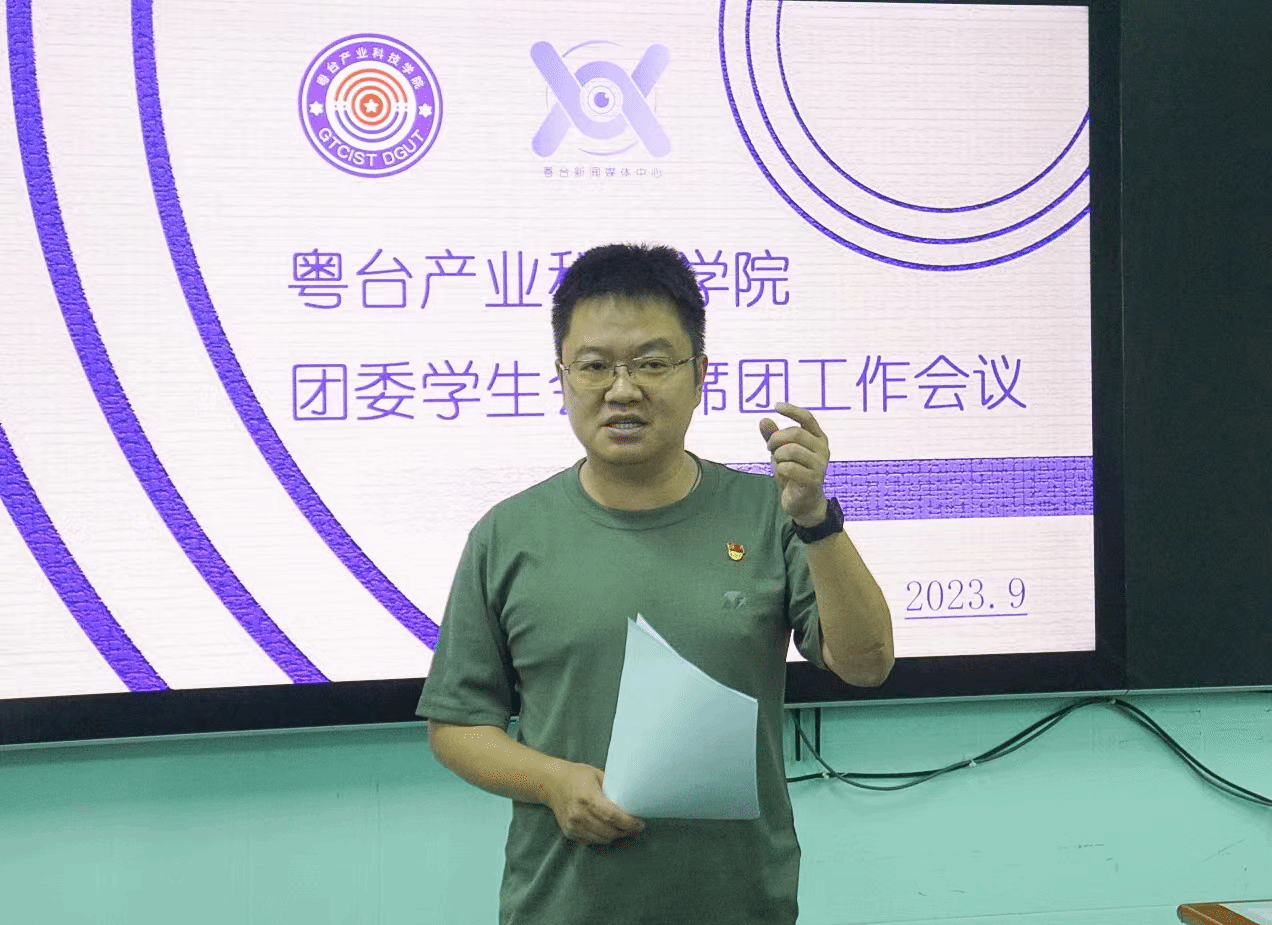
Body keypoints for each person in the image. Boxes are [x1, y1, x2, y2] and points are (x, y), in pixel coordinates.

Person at [417, 243, 893, 925]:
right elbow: (458, 724)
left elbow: (867, 663)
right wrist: (553, 782)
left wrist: (816, 518)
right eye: (594, 365)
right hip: (564, 904)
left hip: (739, 904)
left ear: (699, 375)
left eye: (651, 362)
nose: (622, 389)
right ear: (562, 376)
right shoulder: (508, 534)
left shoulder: (770, 514)